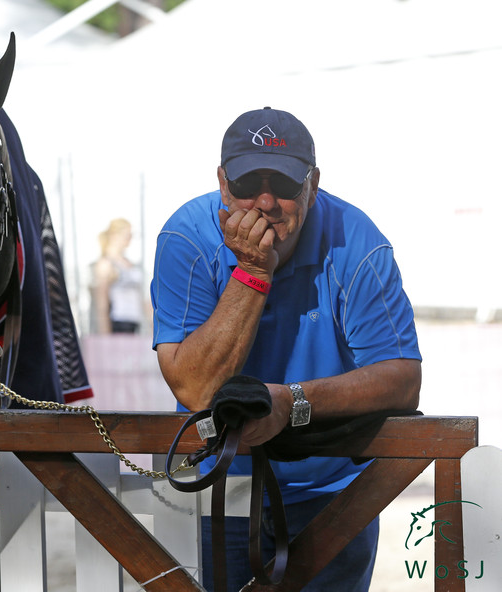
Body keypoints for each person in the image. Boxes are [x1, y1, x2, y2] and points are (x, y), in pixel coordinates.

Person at [150, 107, 421, 591]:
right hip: (219, 485)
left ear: (313, 184)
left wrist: (289, 402)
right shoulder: (185, 237)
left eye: (286, 184)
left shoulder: (357, 241)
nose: (266, 201)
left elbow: (402, 378)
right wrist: (253, 271)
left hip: (333, 492)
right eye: (250, 182)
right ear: (221, 183)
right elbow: (194, 388)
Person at [91, 218, 146, 334]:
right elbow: (102, 304)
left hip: (133, 322)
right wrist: (105, 335)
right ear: (115, 235)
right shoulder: (106, 264)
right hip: (117, 323)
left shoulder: (130, 264)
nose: (130, 238)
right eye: (127, 235)